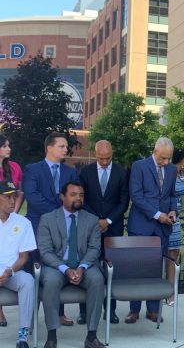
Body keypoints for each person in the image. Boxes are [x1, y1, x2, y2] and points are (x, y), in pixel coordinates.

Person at [37, 181, 105, 348]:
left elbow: (94, 248)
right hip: (56, 266)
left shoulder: (91, 220)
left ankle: (91, 337)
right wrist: (66, 269)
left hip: (84, 265)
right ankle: (51, 337)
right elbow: (45, 251)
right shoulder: (47, 219)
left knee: (97, 280)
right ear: (62, 197)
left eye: (81, 195)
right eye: (73, 194)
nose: (78, 198)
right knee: (51, 282)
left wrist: (82, 267)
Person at [23, 132, 78, 327]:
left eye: (65, 146)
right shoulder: (32, 169)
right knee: (35, 271)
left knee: (59, 268)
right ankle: (30, 317)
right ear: (50, 148)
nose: (66, 149)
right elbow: (32, 195)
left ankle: (59, 313)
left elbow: (73, 196)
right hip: (38, 228)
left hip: (64, 229)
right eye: (62, 146)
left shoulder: (70, 172)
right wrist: (56, 213)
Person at [126, 137, 177, 324]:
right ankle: (134, 310)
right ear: (155, 151)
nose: (166, 162)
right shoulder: (139, 166)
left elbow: (172, 195)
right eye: (163, 158)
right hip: (141, 226)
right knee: (136, 269)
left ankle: (153, 310)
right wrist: (157, 215)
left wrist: (173, 211)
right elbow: (136, 196)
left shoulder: (172, 170)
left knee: (156, 270)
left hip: (162, 229)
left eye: (168, 158)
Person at [78, 140, 129, 324]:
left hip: (112, 227)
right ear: (95, 154)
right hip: (90, 226)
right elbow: (81, 199)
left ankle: (110, 311)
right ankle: (84, 311)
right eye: (101, 158)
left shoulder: (122, 172)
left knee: (111, 269)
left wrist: (107, 220)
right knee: (86, 266)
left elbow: (123, 201)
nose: (105, 162)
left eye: (108, 158)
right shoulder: (85, 172)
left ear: (112, 154)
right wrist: (96, 220)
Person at [0, 181, 36, 348]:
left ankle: (23, 336)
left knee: (28, 281)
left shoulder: (23, 223)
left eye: (14, 196)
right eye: (7, 197)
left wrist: (9, 271)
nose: (12, 201)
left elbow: (23, 257)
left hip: (12, 273)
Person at [165, 148, 184, 306]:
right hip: (167, 216)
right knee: (165, 253)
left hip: (177, 217)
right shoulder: (168, 172)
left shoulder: (181, 175)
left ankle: (170, 291)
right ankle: (163, 291)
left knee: (174, 252)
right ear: (183, 162)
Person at [0, 134, 25, 327]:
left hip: (12, 217)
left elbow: (19, 192)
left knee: (12, 255)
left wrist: (12, 213)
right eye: (5, 146)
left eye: (9, 145)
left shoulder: (14, 167)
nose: (9, 149)